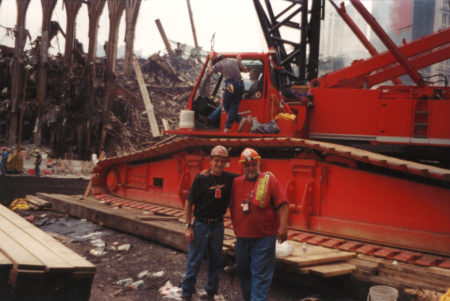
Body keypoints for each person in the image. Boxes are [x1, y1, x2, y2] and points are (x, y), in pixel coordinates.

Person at [230, 148, 289, 301]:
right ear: (242, 166)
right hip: (242, 239)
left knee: (260, 276)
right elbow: (219, 179)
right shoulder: (236, 182)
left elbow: (282, 204)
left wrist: (283, 227)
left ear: (259, 164)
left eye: (253, 165)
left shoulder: (270, 181)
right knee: (244, 275)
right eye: (247, 165)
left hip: (264, 239)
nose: (250, 168)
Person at [181, 145, 239, 301]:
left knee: (216, 261)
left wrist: (264, 174)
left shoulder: (230, 178)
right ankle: (186, 293)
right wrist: (188, 226)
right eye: (216, 160)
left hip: (217, 226)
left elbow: (248, 176)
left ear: (226, 162)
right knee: (195, 261)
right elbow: (189, 203)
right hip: (200, 225)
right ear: (211, 160)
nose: (219, 164)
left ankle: (211, 293)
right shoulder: (201, 178)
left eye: (222, 161)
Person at [209, 54, 248, 133]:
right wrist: (240, 62)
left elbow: (210, 72)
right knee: (234, 104)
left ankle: (228, 127)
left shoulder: (219, 64)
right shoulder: (235, 61)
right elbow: (245, 70)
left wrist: (210, 61)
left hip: (231, 85)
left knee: (226, 106)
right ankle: (237, 121)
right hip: (240, 84)